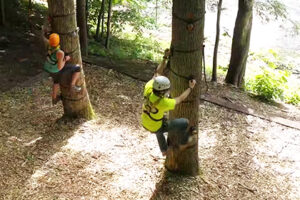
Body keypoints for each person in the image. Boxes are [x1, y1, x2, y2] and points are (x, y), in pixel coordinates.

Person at [141, 49, 197, 156]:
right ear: (163, 91)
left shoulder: (148, 87)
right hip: (155, 126)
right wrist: (190, 88)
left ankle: (164, 150)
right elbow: (180, 98)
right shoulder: (164, 102)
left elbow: (157, 72)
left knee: (159, 124)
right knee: (185, 122)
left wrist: (165, 57)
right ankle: (184, 144)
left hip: (145, 121)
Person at [42, 30, 82, 105]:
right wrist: (65, 59)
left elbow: (44, 38)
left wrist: (44, 31)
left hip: (48, 67)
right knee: (77, 68)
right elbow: (60, 67)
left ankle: (54, 98)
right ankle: (72, 85)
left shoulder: (48, 44)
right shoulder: (60, 53)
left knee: (56, 81)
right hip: (55, 69)